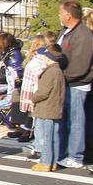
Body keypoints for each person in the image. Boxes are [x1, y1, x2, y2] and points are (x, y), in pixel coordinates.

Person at [55, 0, 93, 169]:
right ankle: (64, 152)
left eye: (60, 13)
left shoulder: (83, 35)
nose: (59, 16)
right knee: (67, 120)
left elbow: (81, 64)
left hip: (77, 83)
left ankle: (75, 155)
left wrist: (64, 76)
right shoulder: (67, 31)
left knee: (76, 120)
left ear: (68, 15)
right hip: (65, 81)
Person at [23, 44, 66, 172]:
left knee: (46, 137)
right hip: (54, 108)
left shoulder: (50, 71)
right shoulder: (57, 71)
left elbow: (43, 92)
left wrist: (33, 98)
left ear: (48, 58)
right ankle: (53, 162)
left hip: (46, 109)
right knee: (54, 137)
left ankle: (46, 162)